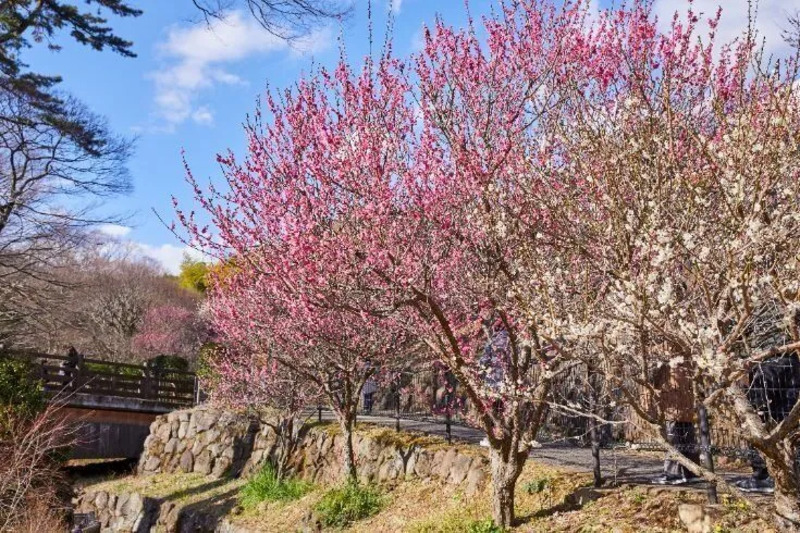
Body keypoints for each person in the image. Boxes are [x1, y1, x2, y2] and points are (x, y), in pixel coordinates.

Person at [734, 354, 800, 494]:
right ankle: (766, 474)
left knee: (758, 416)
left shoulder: (773, 364)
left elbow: (758, 399)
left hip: (773, 356)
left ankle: (768, 476)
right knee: (784, 412)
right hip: (785, 356)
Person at [651, 361, 701, 485]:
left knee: (674, 437)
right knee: (686, 436)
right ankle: (690, 473)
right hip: (685, 405)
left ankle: (673, 473)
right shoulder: (688, 360)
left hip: (674, 404)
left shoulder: (673, 364)